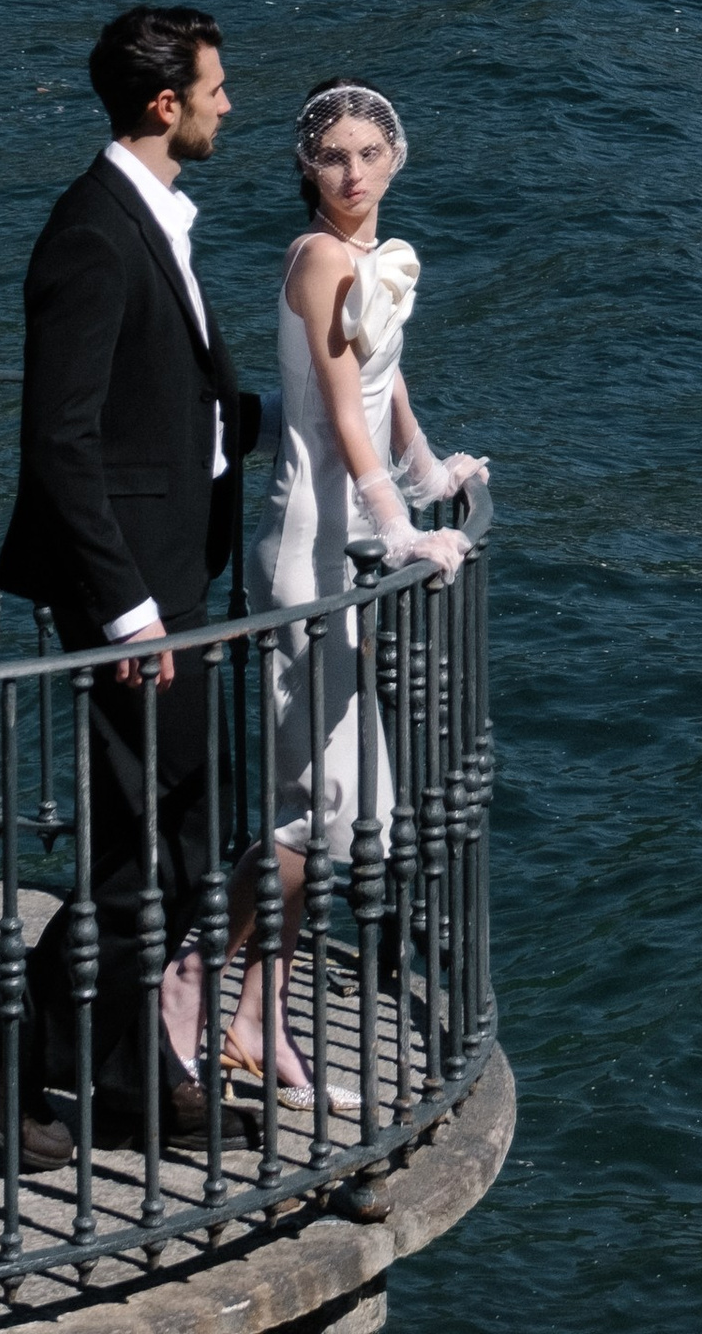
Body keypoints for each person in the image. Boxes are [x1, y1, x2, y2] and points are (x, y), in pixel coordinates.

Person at [0, 2, 263, 1164]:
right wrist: (126, 607)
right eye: (216, 86)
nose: (232, 102)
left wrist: (263, 423)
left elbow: (160, 397)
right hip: (130, 590)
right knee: (165, 841)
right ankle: (1, 1046)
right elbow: (62, 440)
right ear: (164, 104)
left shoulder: (154, 217)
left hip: (167, 568)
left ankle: (128, 1079)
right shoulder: (89, 232)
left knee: (177, 824)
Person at [223, 79, 483, 1108]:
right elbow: (336, 414)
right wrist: (401, 529)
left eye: (370, 151)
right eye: (332, 155)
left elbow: (386, 387)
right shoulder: (320, 257)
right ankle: (209, 982)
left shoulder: (373, 259)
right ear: (306, 168)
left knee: (325, 809)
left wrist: (432, 479)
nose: (353, 171)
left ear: (397, 159)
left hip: (347, 549)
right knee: (332, 806)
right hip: (309, 553)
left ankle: (254, 1015)